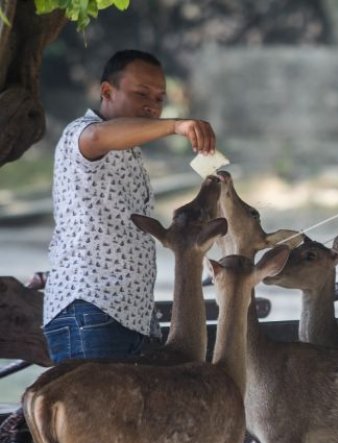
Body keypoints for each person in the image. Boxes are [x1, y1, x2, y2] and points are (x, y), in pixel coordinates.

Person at [42, 49, 217, 363]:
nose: (152, 105)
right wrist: (176, 126)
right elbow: (97, 137)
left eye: (160, 98)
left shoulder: (131, 152)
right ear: (107, 92)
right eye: (141, 94)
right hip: (92, 310)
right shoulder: (81, 134)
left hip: (128, 315)